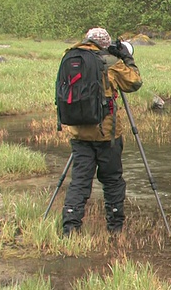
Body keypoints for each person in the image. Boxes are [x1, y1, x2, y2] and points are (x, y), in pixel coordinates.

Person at [61, 27, 142, 236]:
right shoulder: (110, 63)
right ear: (105, 44)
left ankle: (70, 227)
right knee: (113, 180)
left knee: (79, 181)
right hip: (107, 134)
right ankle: (115, 228)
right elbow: (134, 82)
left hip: (78, 132)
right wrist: (126, 57)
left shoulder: (71, 56)